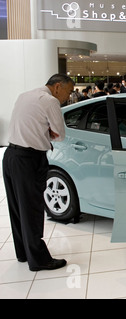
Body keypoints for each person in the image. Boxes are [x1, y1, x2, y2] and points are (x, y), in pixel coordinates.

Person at [2, 74, 74, 272]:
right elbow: (60, 135)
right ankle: (39, 260)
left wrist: (46, 130)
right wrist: (49, 131)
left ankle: (23, 253)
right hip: (29, 159)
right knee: (32, 210)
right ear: (58, 87)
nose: (67, 97)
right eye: (68, 92)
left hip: (10, 156)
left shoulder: (25, 95)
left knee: (17, 209)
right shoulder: (50, 101)